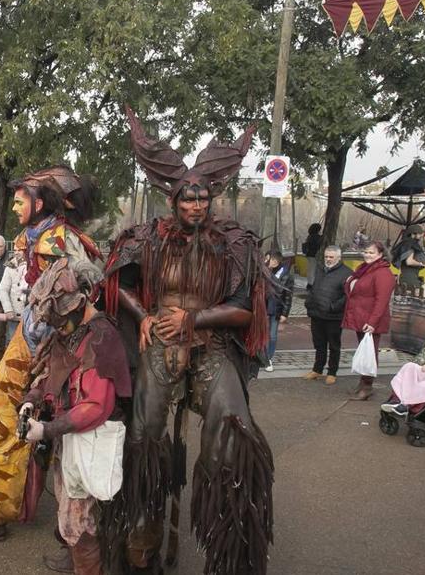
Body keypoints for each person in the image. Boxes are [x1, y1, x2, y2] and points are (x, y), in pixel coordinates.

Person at [102, 109, 271, 573]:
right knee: (144, 435)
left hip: (211, 345)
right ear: (174, 200)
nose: (196, 206)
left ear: (212, 197)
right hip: (160, 344)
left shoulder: (234, 244)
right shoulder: (148, 238)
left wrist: (194, 317)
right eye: (188, 199)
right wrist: (143, 315)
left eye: (203, 198)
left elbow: (243, 310)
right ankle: (142, 532)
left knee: (234, 429)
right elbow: (118, 284)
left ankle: (229, 546)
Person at [0, 165, 100, 538]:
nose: (14, 208)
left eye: (20, 200)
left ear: (40, 202)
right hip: (27, 339)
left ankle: (74, 520)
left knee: (63, 422)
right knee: (2, 415)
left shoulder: (62, 239)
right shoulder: (31, 235)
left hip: (64, 344)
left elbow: (91, 283)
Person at [20, 258, 130, 574]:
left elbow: (97, 406)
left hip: (91, 439)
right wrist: (31, 400)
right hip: (66, 437)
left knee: (78, 523)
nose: (57, 326)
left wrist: (46, 429)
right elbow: (49, 376)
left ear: (82, 300)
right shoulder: (68, 330)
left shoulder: (100, 336)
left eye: (62, 319)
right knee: (72, 520)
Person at [341, 241, 396, 401]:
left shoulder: (383, 273)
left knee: (370, 353)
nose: (367, 255)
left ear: (381, 254)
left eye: (371, 252)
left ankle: (367, 386)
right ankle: (362, 383)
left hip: (371, 320)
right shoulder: (363, 269)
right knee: (364, 351)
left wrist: (372, 322)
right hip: (361, 316)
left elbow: (382, 300)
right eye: (366, 251)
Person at [304, 245, 351, 384]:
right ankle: (317, 369)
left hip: (333, 316)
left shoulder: (347, 273)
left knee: (334, 345)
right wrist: (309, 302)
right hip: (316, 313)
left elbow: (348, 295)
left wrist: (333, 307)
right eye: (326, 257)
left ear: (338, 258)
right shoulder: (319, 269)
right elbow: (314, 287)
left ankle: (332, 372)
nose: (328, 259)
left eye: (331, 257)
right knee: (319, 344)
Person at [263, 250, 293, 373]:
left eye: (275, 260)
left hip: (275, 309)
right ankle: (260, 356)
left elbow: (288, 295)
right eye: (270, 259)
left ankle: (268, 358)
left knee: (272, 335)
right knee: (261, 334)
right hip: (262, 308)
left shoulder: (285, 274)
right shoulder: (262, 271)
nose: (272, 262)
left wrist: (285, 313)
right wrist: (266, 269)